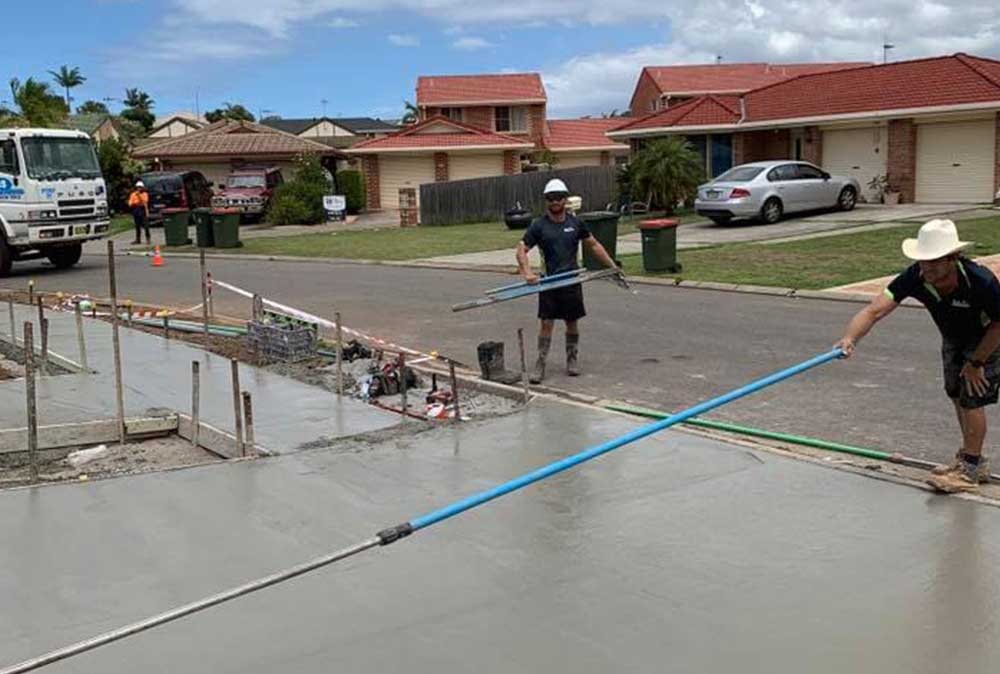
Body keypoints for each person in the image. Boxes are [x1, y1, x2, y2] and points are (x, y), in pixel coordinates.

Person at [835, 219, 1000, 492]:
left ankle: (969, 471)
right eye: (923, 260)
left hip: (988, 339)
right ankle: (972, 460)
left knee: (972, 398)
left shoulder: (979, 280)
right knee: (957, 394)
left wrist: (976, 362)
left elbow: (999, 323)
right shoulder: (915, 276)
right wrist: (850, 338)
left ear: (952, 258)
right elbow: (874, 310)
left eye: (934, 261)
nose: (927, 267)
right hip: (954, 339)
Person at [516, 178, 617, 383]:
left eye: (559, 198)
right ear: (546, 200)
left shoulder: (575, 223)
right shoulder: (538, 225)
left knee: (572, 322)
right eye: (551, 198)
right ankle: (540, 363)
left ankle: (572, 360)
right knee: (546, 323)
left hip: (570, 280)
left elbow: (594, 245)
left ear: (565, 199)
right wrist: (527, 273)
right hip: (549, 282)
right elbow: (521, 250)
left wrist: (612, 266)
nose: (555, 202)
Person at [128, 181, 150, 245]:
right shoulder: (133, 194)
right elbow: (130, 202)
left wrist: (139, 196)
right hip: (136, 210)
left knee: (146, 225)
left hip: (143, 210)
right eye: (138, 187)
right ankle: (138, 239)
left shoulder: (145, 194)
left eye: (140, 187)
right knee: (137, 226)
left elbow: (144, 201)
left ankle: (148, 238)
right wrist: (133, 203)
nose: (139, 189)